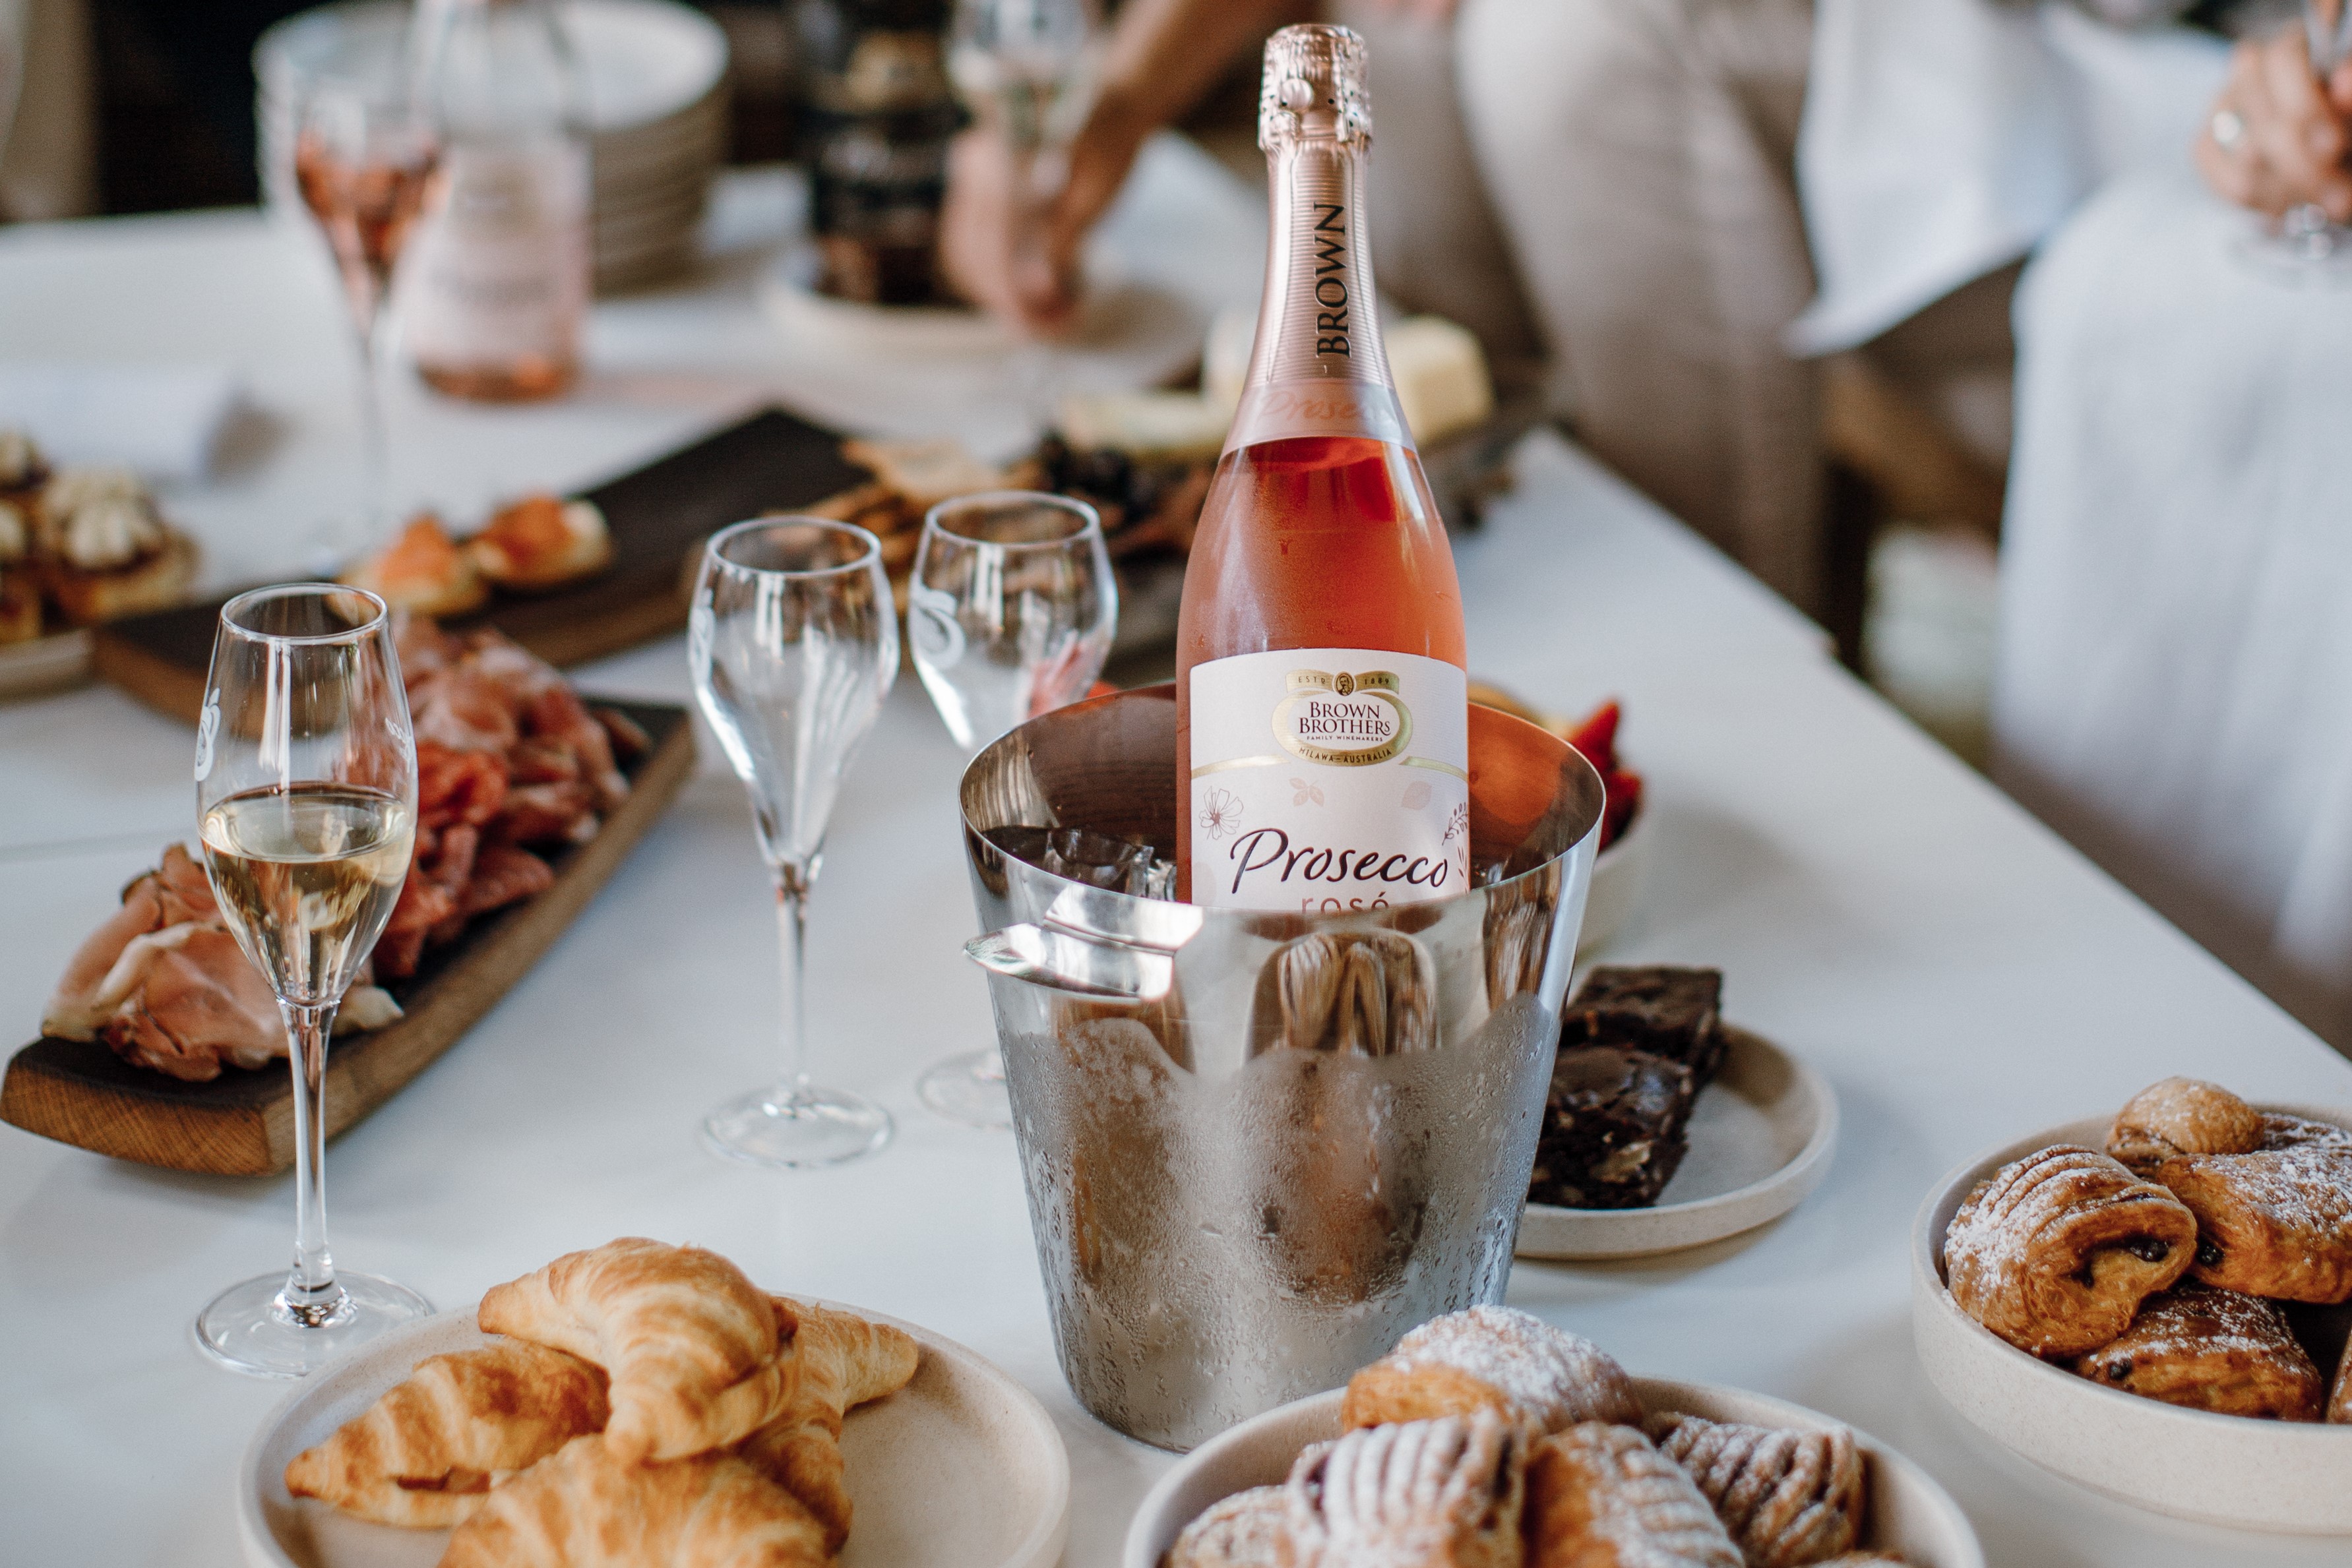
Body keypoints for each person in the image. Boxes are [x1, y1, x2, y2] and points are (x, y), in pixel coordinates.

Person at [939, 0, 2275, 621]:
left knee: (1574, 38)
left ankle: (1727, 678)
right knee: (1388, 50)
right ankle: (1459, 639)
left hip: (2127, 62)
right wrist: (1108, 106)